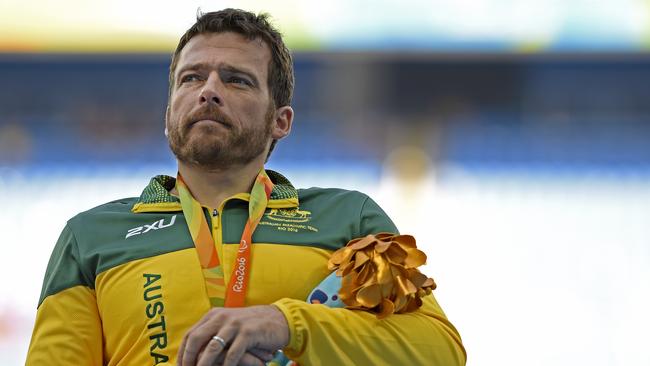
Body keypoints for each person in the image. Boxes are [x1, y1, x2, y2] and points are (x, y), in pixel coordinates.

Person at [26, 8, 466, 366]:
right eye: (191, 78)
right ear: (168, 112)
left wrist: (286, 325)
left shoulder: (348, 217)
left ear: (281, 121)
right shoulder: (90, 236)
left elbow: (438, 351)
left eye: (236, 79)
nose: (209, 92)